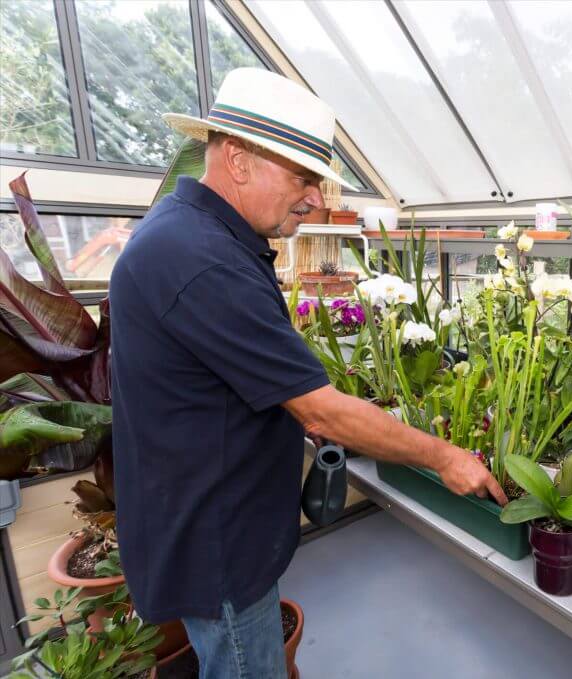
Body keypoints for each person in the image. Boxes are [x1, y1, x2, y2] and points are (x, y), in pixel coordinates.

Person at [109, 68, 505, 679]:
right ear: (238, 161)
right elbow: (322, 408)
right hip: (218, 549)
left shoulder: (197, 236)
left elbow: (231, 382)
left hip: (207, 525)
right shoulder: (202, 260)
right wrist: (446, 456)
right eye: (302, 177)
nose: (316, 197)